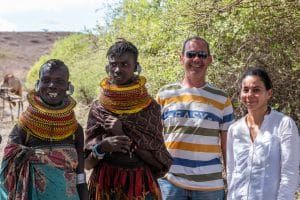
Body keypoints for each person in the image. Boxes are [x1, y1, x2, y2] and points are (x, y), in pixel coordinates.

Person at [84, 39, 172, 200]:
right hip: (104, 183)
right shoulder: (99, 107)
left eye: (124, 64)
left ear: (136, 67)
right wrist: (102, 147)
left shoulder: (149, 107)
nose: (117, 69)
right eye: (113, 64)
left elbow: (158, 163)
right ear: (107, 67)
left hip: (140, 184)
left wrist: (124, 134)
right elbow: (87, 164)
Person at [156, 36, 234, 200]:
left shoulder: (222, 99)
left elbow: (227, 146)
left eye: (202, 55)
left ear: (210, 60)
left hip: (210, 186)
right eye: (191, 54)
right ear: (181, 58)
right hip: (170, 183)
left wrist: (232, 181)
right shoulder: (165, 94)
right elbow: (154, 139)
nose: (196, 59)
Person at [0, 59, 88, 200]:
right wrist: (23, 155)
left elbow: (80, 176)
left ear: (68, 86)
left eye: (59, 81)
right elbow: (6, 170)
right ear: (37, 84)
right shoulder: (24, 126)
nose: (52, 85)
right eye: (46, 80)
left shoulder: (75, 129)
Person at [226, 67, 300, 200]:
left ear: (269, 93)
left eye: (256, 90)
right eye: (245, 90)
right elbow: (232, 171)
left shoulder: (283, 124)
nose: (249, 95)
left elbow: (290, 173)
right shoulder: (234, 129)